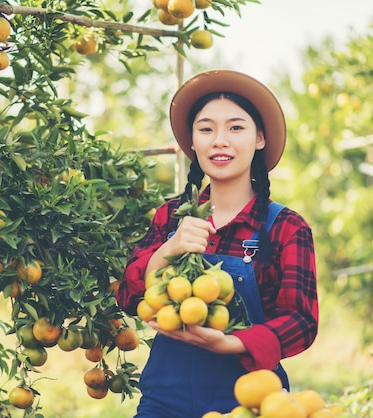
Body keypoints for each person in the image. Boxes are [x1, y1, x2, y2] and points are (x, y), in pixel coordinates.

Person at [116, 69, 318, 418]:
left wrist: (232, 343)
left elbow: (301, 320)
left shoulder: (285, 227)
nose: (219, 141)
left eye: (236, 128)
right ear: (193, 142)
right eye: (206, 129)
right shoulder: (171, 218)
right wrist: (168, 250)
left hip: (251, 398)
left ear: (259, 139)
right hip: (165, 400)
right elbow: (128, 296)